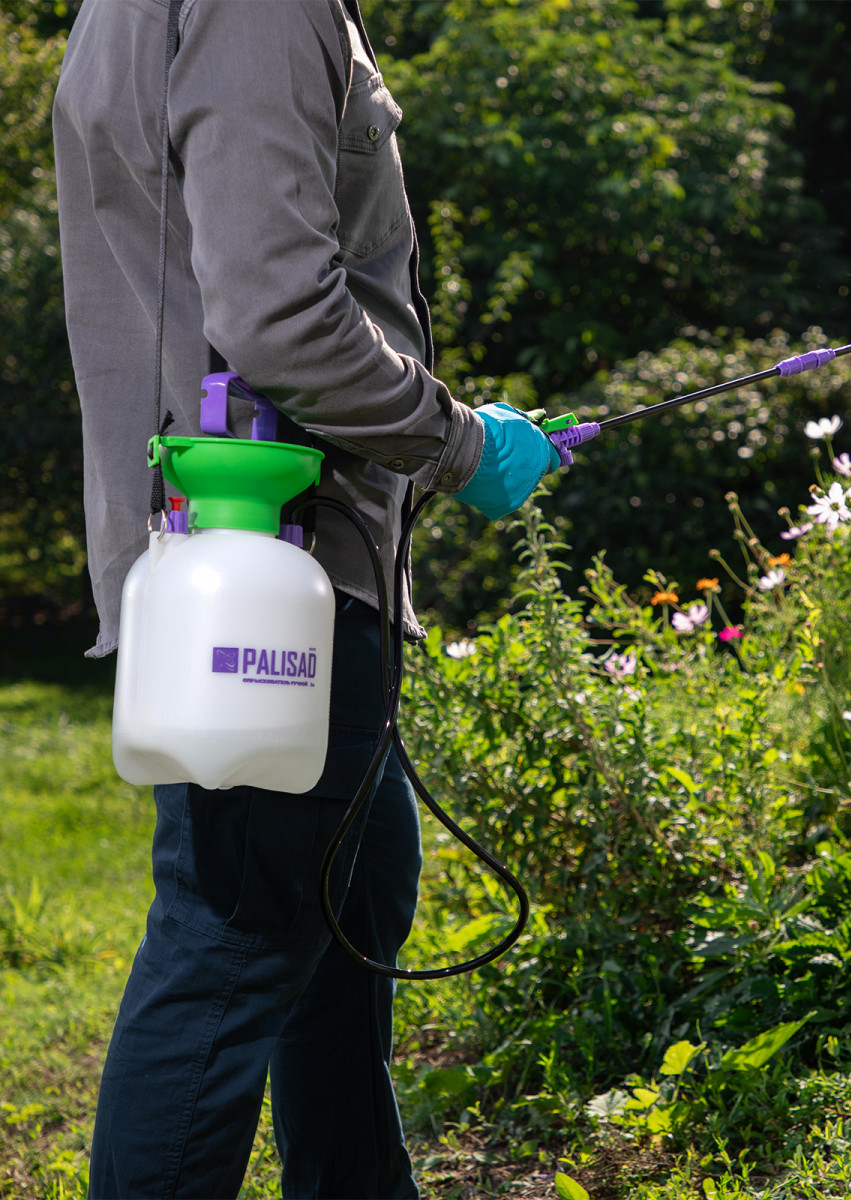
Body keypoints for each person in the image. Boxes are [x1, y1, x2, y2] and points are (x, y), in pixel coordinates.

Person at [53, 0, 559, 1195]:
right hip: (269, 570)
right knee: (236, 939)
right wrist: (457, 442)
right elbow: (279, 318)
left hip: (255, 564)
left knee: (350, 915)